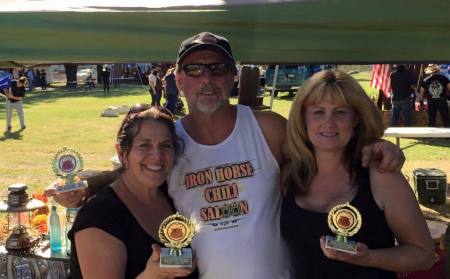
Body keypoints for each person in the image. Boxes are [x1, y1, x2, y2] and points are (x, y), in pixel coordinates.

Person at [47, 32, 405, 279]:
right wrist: (87, 184)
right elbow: (136, 174)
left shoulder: (267, 128)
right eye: (194, 69)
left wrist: (377, 148)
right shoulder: (172, 140)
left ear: (233, 76)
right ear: (178, 79)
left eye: (218, 68)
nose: (207, 78)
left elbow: (327, 147)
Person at [281, 70, 434, 278]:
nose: (329, 122)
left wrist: (368, 258)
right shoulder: (288, 175)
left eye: (340, 112)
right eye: (318, 112)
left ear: (355, 118)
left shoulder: (381, 175)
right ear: (303, 118)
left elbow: (423, 255)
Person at [67, 104, 197, 279]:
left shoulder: (173, 195)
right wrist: (152, 275)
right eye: (144, 145)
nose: (157, 156)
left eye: (166, 145)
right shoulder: (99, 216)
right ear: (122, 153)